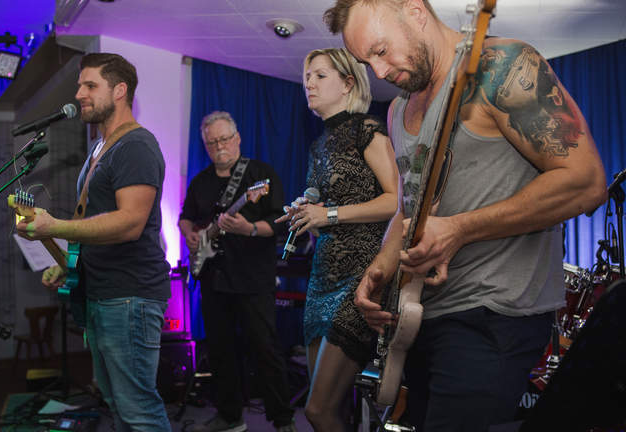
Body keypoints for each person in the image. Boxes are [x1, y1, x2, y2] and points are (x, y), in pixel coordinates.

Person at [323, 0, 608, 431]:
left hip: (493, 315)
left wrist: (459, 230)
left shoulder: (501, 67)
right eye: (367, 62)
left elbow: (585, 182)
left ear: (415, 11)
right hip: (421, 318)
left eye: (381, 51)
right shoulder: (399, 109)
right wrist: (379, 271)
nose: (378, 72)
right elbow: (408, 206)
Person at [15, 53, 172, 431]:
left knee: (138, 410)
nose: (79, 94)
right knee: (117, 404)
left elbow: (130, 223)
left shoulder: (136, 145)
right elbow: (91, 222)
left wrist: (54, 226)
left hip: (129, 296)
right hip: (102, 294)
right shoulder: (99, 150)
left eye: (90, 85)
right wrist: (66, 264)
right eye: (79, 85)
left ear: (119, 90)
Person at [275, 48, 398, 431]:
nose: (309, 84)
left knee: (318, 410)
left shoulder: (368, 130)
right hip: (322, 277)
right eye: (306, 77)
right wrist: (308, 213)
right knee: (329, 408)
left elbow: (396, 200)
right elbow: (330, 208)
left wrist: (328, 214)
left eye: (319, 76)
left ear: (347, 83)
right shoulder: (319, 144)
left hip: (359, 277)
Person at [178, 111, 296, 432]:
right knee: (220, 350)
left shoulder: (261, 176)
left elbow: (280, 222)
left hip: (253, 278)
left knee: (265, 348)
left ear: (238, 138)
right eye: (212, 142)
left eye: (224, 139)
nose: (219, 147)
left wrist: (250, 229)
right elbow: (185, 217)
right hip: (213, 278)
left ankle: (283, 420)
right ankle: (230, 417)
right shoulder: (200, 182)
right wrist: (190, 234)